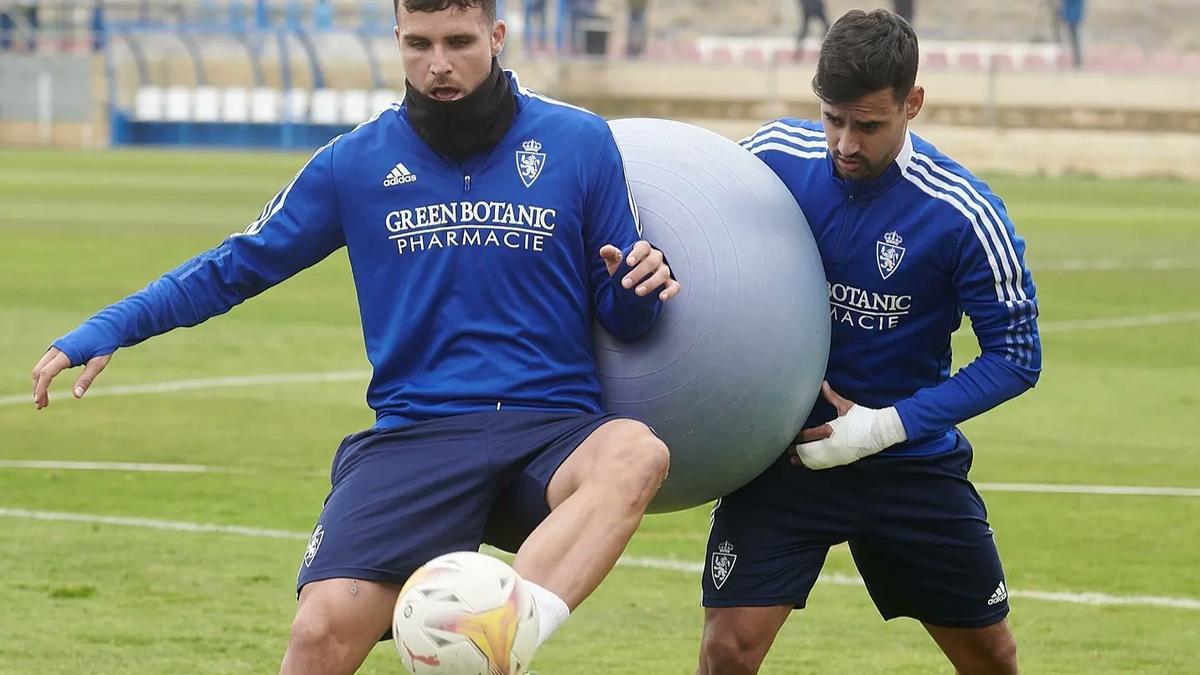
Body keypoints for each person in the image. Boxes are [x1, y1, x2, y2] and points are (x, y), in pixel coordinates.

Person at [30, 1, 681, 673]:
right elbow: (236, 266)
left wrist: (638, 287)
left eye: (459, 42)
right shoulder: (354, 162)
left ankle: (497, 640)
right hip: (416, 433)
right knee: (317, 636)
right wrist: (113, 325)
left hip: (550, 430)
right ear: (396, 39)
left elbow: (630, 317)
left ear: (496, 36)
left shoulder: (580, 140)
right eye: (420, 44)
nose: (439, 64)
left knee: (635, 453)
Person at [698, 9, 1040, 675]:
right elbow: (687, 228)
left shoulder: (963, 213)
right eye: (832, 118)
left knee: (992, 657)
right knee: (726, 650)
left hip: (906, 461)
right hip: (782, 456)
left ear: (913, 103)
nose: (845, 144)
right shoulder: (768, 158)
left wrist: (887, 426)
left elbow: (1017, 357)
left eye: (869, 124)